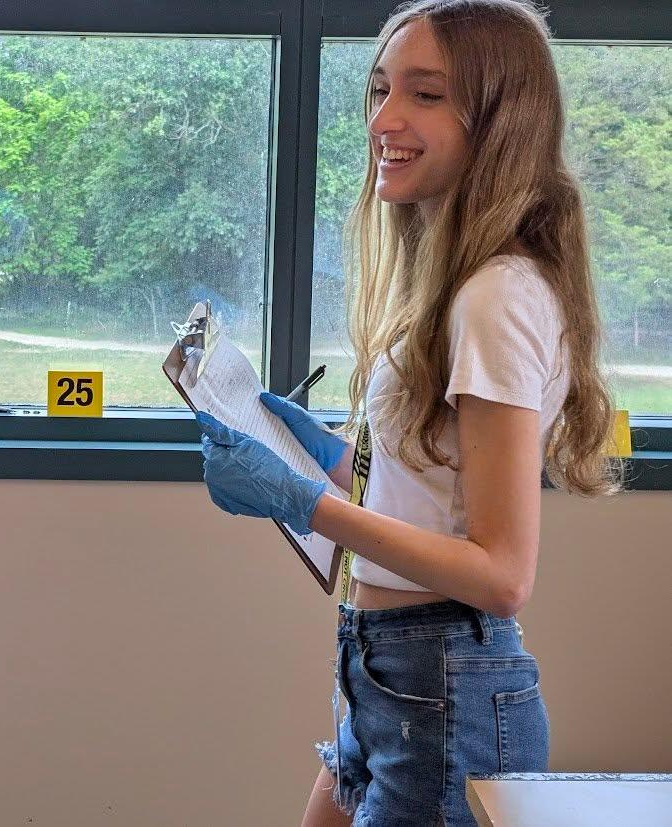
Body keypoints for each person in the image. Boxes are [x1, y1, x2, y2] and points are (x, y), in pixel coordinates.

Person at [194, 2, 620, 825]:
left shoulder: (496, 294)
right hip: (387, 672)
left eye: (425, 95)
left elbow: (502, 574)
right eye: (383, 89)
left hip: (443, 685)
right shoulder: (460, 284)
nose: (384, 119)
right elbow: (434, 486)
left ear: (498, 121)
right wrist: (325, 455)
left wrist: (299, 500)